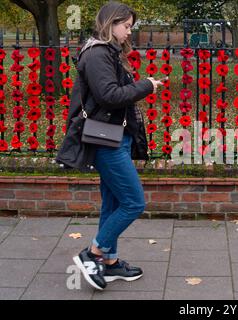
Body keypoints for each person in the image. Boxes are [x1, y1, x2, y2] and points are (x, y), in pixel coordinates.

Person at [57, 1, 164, 291]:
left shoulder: (110, 53)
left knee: (114, 202)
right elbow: (109, 95)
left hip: (116, 136)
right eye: (126, 26)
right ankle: (92, 253)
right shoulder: (96, 53)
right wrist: (146, 86)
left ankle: (111, 262)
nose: (129, 32)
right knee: (133, 202)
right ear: (110, 23)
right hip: (105, 141)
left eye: (131, 26)